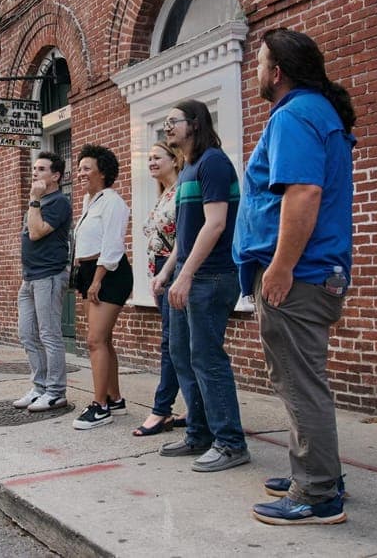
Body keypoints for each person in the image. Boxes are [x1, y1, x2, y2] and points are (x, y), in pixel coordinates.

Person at [234, 28, 355, 525]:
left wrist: (280, 267)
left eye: (260, 63)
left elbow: (303, 192)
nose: (256, 72)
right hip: (312, 271)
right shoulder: (315, 112)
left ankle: (318, 492)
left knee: (299, 382)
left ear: (277, 71)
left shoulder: (295, 114)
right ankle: (315, 471)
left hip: (298, 274)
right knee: (299, 379)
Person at [152, 100, 249, 472]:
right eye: (165, 122)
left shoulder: (213, 163)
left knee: (208, 359)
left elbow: (216, 223)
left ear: (195, 123)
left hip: (212, 276)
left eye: (173, 121)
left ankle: (231, 443)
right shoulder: (189, 167)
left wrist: (187, 274)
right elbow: (186, 233)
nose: (167, 127)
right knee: (182, 355)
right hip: (188, 275)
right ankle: (199, 433)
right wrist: (168, 272)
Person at [70, 145, 133, 430]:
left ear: (103, 172)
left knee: (95, 340)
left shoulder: (113, 202)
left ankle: (100, 407)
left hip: (108, 272)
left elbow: (112, 245)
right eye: (79, 168)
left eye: (86, 168)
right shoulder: (89, 201)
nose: (80, 173)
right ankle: (114, 399)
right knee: (103, 340)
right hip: (88, 272)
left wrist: (97, 280)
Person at [134, 141, 187, 436]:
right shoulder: (163, 194)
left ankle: (161, 409)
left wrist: (167, 274)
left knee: (172, 343)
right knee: (177, 343)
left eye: (157, 157)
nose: (151, 162)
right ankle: (193, 406)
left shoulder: (181, 192)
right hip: (159, 273)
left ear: (175, 159)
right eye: (149, 158)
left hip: (173, 271)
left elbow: (185, 238)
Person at [13, 151, 72, 412]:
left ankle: (56, 392)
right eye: (34, 168)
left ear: (56, 176)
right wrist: (34, 201)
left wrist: (34, 200)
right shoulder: (38, 201)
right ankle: (39, 388)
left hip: (49, 275)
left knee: (49, 334)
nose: (35, 172)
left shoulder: (59, 202)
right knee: (27, 334)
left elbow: (36, 233)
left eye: (41, 169)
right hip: (29, 277)